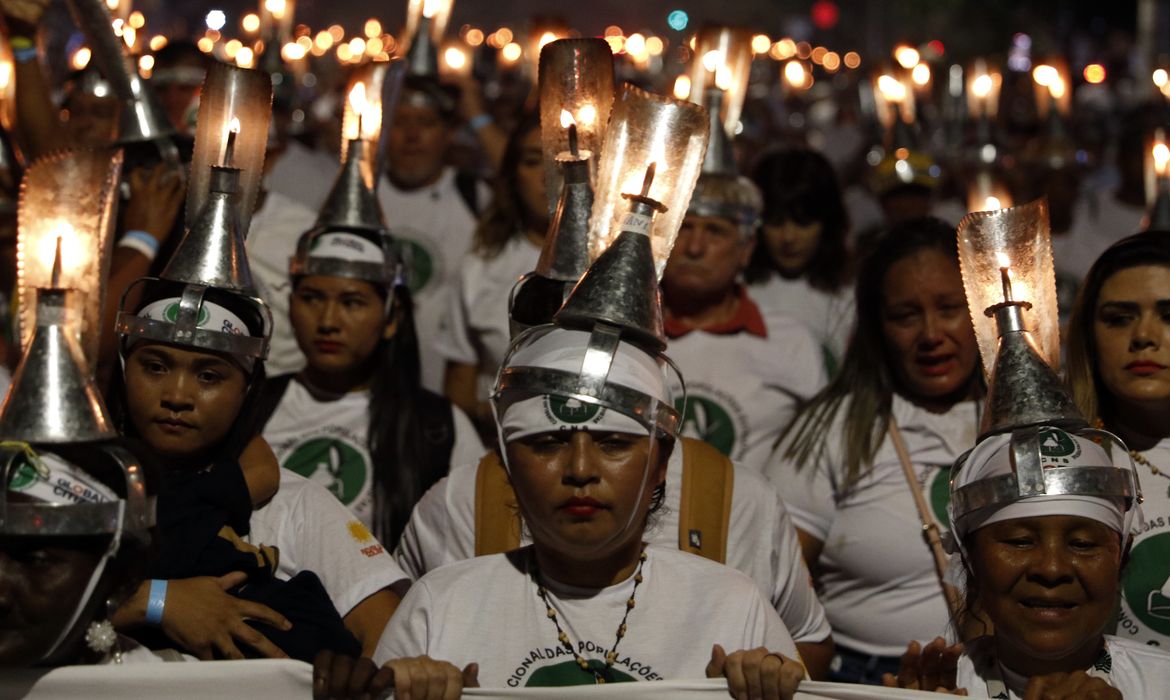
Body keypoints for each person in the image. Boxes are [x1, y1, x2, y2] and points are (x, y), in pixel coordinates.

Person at [366, 325, 805, 698]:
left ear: (661, 464)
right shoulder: (440, 605)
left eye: (612, 444)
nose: (580, 470)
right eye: (548, 443)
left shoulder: (732, 605)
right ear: (507, 464)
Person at [767, 217, 983, 684]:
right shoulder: (834, 427)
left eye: (950, 308)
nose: (930, 334)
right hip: (867, 680)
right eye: (905, 316)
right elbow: (771, 575)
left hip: (1000, 672)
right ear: (877, 326)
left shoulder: (1025, 419)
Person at [889, 425, 1170, 697]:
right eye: (1020, 542)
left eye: (1082, 544)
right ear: (970, 558)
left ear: (1120, 556)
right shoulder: (933, 692)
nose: (1051, 568)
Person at [255, 226, 483, 547]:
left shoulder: (438, 427)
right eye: (311, 298)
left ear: (392, 317)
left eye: (352, 302)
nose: (328, 321)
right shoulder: (250, 407)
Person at [663, 171, 826, 471]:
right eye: (684, 228)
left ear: (746, 250)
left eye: (714, 231)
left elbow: (818, 459)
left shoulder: (791, 341)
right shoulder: (631, 333)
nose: (695, 247)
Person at [1065, 230, 1170, 648]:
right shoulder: (1055, 460)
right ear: (1089, 336)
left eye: (1169, 315)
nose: (1144, 336)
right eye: (1119, 318)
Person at [377, 76, 490, 392]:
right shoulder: (364, 193)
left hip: (449, 391)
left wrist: (478, 116)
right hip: (374, 394)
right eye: (400, 123)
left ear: (448, 133)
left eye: (426, 123)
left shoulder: (474, 196)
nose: (411, 136)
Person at [439, 112, 544, 436]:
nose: (551, 174)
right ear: (512, 176)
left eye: (565, 158)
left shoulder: (620, 264)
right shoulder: (482, 265)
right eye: (533, 161)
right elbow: (459, 384)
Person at [747, 148, 855, 375]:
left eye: (803, 223)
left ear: (827, 223)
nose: (788, 237)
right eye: (775, 222)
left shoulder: (850, 298)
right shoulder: (736, 291)